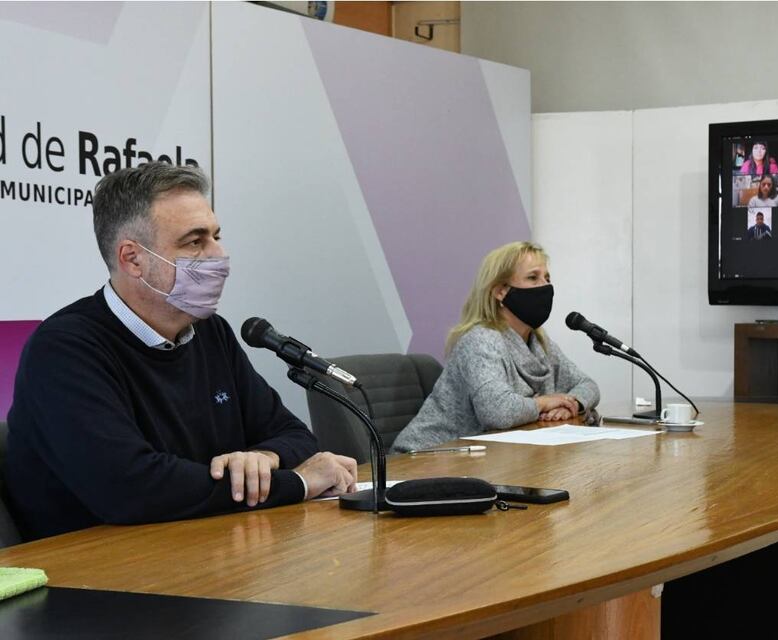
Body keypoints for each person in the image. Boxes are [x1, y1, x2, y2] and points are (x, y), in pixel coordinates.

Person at [5, 163, 358, 540]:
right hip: (93, 579)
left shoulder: (211, 333)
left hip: (204, 548)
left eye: (216, 236)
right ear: (133, 259)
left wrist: (263, 459)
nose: (219, 255)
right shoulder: (64, 349)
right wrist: (297, 483)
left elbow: (292, 433)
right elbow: (132, 489)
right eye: (195, 241)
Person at [391, 241, 599, 453]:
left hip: (487, 459)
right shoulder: (481, 340)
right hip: (427, 459)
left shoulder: (540, 343)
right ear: (500, 291)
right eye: (533, 277)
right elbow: (497, 411)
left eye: (547, 278)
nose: (545, 286)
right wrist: (544, 404)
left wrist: (571, 404)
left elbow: (587, 384)